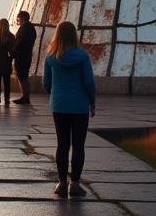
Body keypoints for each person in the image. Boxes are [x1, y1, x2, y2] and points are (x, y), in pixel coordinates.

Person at [44, 21, 96, 198]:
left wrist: (56, 94)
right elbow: (89, 82)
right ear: (74, 35)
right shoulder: (82, 56)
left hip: (59, 106)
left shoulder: (51, 57)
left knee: (62, 144)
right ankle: (75, 183)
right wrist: (92, 101)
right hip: (80, 106)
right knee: (78, 145)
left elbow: (46, 83)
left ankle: (61, 183)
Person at [12, 11, 37, 104]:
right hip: (25, 56)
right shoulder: (30, 28)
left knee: (22, 76)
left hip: (22, 57)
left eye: (19, 18)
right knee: (23, 76)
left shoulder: (25, 28)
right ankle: (25, 96)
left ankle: (25, 97)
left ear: (22, 18)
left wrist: (13, 53)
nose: (18, 20)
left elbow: (20, 43)